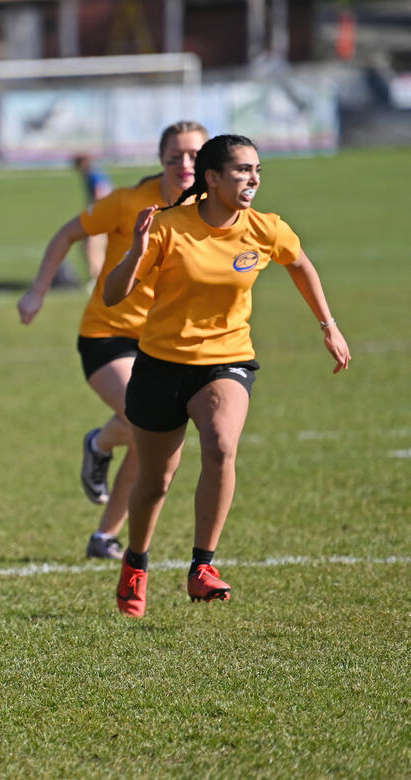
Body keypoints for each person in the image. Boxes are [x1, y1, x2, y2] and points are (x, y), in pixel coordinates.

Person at [102, 134, 351, 617]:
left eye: (256, 170)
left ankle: (202, 566)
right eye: (241, 170)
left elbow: (300, 264)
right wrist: (135, 249)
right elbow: (114, 294)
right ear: (211, 178)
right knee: (155, 483)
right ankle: (135, 563)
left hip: (227, 358)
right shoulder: (169, 227)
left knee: (220, 444)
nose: (253, 179)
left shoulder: (266, 228)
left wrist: (329, 327)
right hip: (161, 363)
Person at [18, 121, 208, 560]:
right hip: (107, 337)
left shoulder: (208, 211)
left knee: (154, 438)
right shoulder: (127, 202)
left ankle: (105, 537)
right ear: (160, 159)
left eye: (195, 156)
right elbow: (68, 234)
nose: (185, 164)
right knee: (147, 422)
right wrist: (37, 292)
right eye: (175, 155)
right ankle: (100, 444)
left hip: (162, 343)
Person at [72, 153, 114, 282]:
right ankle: (99, 276)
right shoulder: (94, 173)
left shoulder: (92, 175)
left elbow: (101, 191)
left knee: (92, 245)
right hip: (105, 213)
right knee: (89, 246)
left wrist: (94, 209)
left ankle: (97, 278)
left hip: (101, 214)